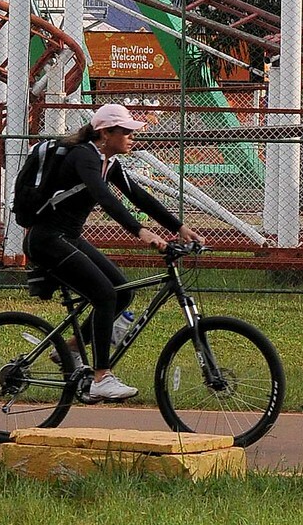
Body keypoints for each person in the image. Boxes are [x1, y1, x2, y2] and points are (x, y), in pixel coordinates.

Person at [22, 102, 200, 404]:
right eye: (126, 131)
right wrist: (141, 232)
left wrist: (179, 227)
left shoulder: (108, 162)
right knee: (104, 294)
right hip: (46, 240)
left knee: (122, 292)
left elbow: (139, 197)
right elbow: (105, 198)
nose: (132, 137)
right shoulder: (84, 157)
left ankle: (72, 349)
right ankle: (101, 378)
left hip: (67, 238)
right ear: (106, 132)